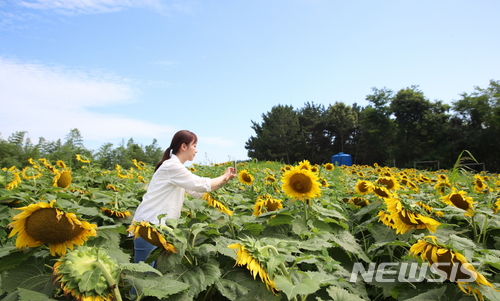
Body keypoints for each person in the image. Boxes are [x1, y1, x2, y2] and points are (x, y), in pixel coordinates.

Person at [131, 130, 237, 265]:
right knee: (143, 277)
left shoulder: (175, 168)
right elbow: (201, 184)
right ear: (184, 146)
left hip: (159, 229)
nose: (196, 150)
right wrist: (223, 175)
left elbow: (197, 192)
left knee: (152, 278)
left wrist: (224, 180)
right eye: (195, 145)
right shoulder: (171, 166)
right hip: (148, 228)